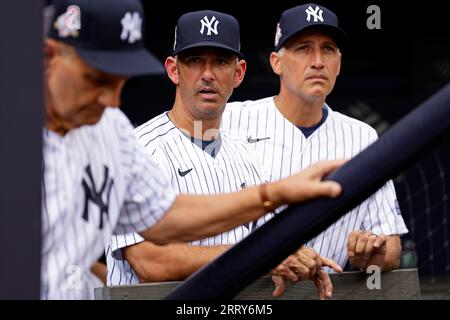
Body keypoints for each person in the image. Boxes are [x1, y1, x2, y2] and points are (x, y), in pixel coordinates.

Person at [42, 0, 344, 299]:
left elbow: (163, 217)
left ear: (239, 74)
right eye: (94, 79)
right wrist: (259, 254)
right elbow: (150, 261)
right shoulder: (140, 142)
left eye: (121, 82)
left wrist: (273, 201)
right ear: (47, 57)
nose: (112, 101)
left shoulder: (111, 129)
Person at [221, 3, 408, 275]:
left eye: (328, 49)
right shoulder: (229, 122)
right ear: (276, 63)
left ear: (339, 63)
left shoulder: (362, 136)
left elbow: (390, 247)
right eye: (303, 48)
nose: (318, 61)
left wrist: (371, 253)